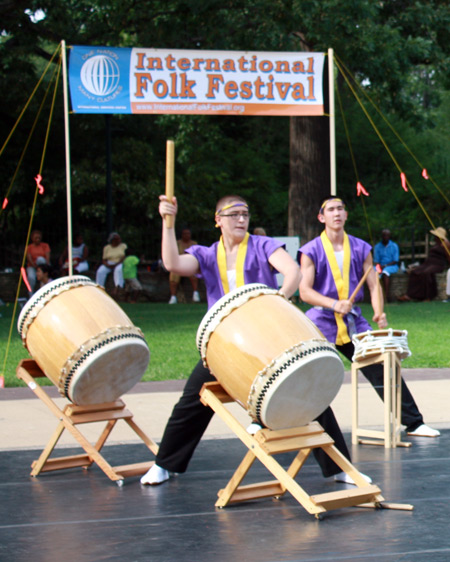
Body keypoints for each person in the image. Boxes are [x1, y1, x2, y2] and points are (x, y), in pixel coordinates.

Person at [141, 194, 363, 486]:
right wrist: (168, 222)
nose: (241, 220)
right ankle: (165, 464)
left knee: (310, 397)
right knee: (192, 402)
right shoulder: (207, 254)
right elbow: (172, 263)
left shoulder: (263, 246)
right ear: (218, 220)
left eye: (245, 214)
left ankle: (340, 468)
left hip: (268, 340)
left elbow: (292, 271)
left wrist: (277, 302)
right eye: (234, 215)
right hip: (225, 346)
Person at [298, 196, 440, 438]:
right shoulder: (310, 250)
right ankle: (278, 422)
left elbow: (373, 285)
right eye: (331, 209)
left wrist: (378, 312)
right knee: (305, 375)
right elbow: (305, 292)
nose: (337, 213)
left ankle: (414, 423)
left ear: (346, 214)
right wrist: (333, 303)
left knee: (383, 369)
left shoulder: (360, 247)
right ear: (322, 217)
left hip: (353, 322)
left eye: (341, 208)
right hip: (321, 323)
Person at [398, 227, 450, 302]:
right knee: (415, 272)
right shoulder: (436, 243)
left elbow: (448, 256)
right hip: (428, 263)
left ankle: (428, 296)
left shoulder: (446, 244)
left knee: (427, 273)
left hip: (437, 264)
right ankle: (409, 295)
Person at [168, 227, 201, 304]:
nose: (187, 235)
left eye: (188, 233)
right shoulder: (177, 243)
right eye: (185, 234)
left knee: (194, 274)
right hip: (178, 264)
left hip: (190, 264)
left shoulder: (194, 243)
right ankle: (173, 297)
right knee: (173, 276)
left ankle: (195, 293)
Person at [373, 229, 399, 301]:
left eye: (387, 235)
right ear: (382, 236)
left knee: (385, 272)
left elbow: (395, 260)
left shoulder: (394, 246)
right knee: (374, 273)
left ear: (389, 236)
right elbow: (376, 260)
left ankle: (386, 296)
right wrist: (379, 267)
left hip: (391, 266)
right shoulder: (377, 247)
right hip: (379, 266)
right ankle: (375, 295)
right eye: (384, 235)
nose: (385, 237)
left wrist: (385, 266)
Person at [26, 230, 51, 295]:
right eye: (36, 238)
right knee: (31, 277)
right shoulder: (29, 247)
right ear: (32, 239)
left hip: (43, 265)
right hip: (32, 266)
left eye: (39, 238)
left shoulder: (45, 245)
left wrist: (44, 267)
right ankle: (30, 295)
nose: (38, 239)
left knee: (40, 259)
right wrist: (35, 267)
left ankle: (43, 272)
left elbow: (47, 258)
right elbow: (29, 258)